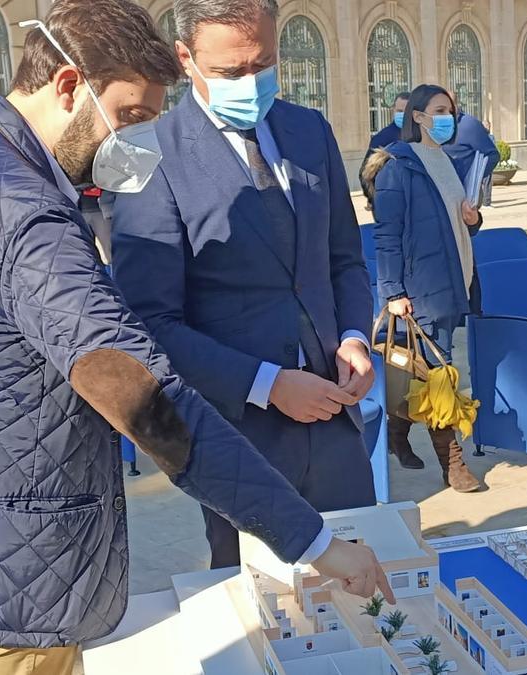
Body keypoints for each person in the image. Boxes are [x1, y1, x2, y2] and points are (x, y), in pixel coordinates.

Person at [0, 2, 392, 673]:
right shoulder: (28, 223)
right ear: (66, 86)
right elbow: (150, 405)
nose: (139, 141)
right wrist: (314, 540)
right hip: (7, 570)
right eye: (130, 117)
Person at [110, 0, 378, 569]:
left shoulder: (309, 131)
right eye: (232, 73)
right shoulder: (146, 156)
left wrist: (354, 336)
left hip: (336, 422)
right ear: (187, 59)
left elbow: (344, 259)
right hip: (239, 437)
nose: (252, 83)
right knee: (265, 615)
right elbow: (150, 322)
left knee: (359, 596)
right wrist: (267, 383)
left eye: (264, 64)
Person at [363, 84, 484, 493]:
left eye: (450, 110)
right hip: (422, 290)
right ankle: (454, 465)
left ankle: (399, 436)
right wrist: (392, 292)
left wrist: (472, 220)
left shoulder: (446, 161)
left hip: (454, 282)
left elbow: (453, 223)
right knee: (441, 376)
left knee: (418, 370)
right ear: (417, 116)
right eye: (438, 110)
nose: (447, 117)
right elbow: (387, 235)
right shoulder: (399, 166)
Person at [444, 93, 500, 208]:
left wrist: (474, 177)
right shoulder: (435, 126)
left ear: (454, 106)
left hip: (467, 195)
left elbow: (492, 155)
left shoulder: (469, 125)